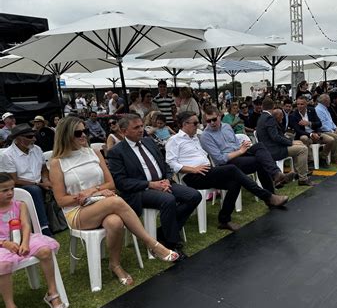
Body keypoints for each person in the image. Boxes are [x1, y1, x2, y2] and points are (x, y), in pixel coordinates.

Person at [49, 116, 180, 286]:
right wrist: (88, 194)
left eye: (86, 131)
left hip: (101, 203)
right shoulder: (57, 163)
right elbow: (61, 200)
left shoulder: (94, 153)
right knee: (115, 202)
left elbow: (111, 184)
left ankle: (115, 265)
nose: (83, 136)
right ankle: (152, 244)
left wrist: (94, 190)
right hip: (77, 212)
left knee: (115, 223)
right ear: (65, 135)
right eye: (78, 133)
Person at [166, 111, 289, 231]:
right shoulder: (175, 140)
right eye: (195, 123)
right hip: (193, 175)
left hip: (208, 171)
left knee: (234, 183)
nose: (198, 125)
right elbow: (171, 163)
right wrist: (193, 169)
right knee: (232, 169)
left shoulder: (194, 138)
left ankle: (224, 220)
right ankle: (267, 196)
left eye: (198, 122)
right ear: (184, 124)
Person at [107, 114, 201, 252]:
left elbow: (165, 165)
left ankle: (163, 232)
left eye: (141, 126)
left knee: (194, 196)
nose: (141, 130)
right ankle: (172, 244)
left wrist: (167, 180)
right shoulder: (116, 152)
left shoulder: (148, 142)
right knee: (168, 199)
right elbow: (121, 183)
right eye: (136, 127)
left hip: (163, 183)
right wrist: (150, 185)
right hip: (140, 191)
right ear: (123, 130)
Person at [0, 173, 68, 308]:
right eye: (4, 190)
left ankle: (52, 293)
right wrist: (5, 243)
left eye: (11, 188)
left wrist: (24, 242)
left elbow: (25, 225)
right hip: (1, 245)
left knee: (44, 250)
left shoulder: (19, 205)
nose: (10, 193)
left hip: (24, 238)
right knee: (3, 265)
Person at [200, 106, 294, 195]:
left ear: (219, 116)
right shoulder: (206, 136)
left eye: (214, 119)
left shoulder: (226, 127)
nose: (212, 123)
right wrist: (240, 151)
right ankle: (271, 192)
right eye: (208, 121)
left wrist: (243, 146)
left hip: (239, 153)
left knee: (259, 146)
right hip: (227, 163)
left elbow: (235, 143)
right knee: (260, 161)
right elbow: (220, 159)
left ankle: (276, 174)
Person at [1, 124, 52, 236]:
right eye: (29, 136)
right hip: (20, 186)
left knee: (57, 182)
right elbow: (14, 180)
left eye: (34, 135)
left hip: (39, 183)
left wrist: (46, 180)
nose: (34, 139)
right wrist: (39, 184)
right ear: (18, 139)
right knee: (35, 190)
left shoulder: (37, 149)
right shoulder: (7, 155)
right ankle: (43, 227)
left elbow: (44, 169)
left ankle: (67, 220)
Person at [256, 98, 314, 186]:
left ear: (263, 106)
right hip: (274, 150)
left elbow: (274, 137)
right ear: (273, 107)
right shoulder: (269, 118)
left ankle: (299, 173)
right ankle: (303, 178)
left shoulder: (261, 118)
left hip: (268, 149)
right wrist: (291, 142)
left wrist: (291, 142)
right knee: (303, 149)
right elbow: (275, 137)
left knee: (300, 144)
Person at [289, 97, 337, 167]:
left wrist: (309, 123)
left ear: (306, 104)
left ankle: (323, 158)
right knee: (304, 138)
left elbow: (319, 123)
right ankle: (310, 160)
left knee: (331, 140)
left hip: (315, 133)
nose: (299, 106)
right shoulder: (293, 115)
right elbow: (298, 131)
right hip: (304, 135)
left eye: (302, 104)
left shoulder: (311, 110)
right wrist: (311, 134)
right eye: (298, 104)